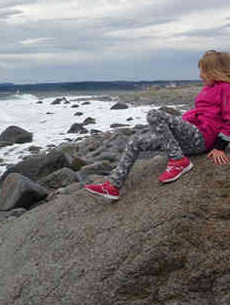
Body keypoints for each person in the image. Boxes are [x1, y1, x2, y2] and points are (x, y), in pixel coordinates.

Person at [86, 49, 230, 200]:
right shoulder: (208, 88)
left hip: (202, 138)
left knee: (154, 114)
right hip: (189, 139)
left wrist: (220, 147)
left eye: (203, 71)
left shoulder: (226, 88)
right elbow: (199, 112)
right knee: (136, 141)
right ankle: (113, 186)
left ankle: (179, 161)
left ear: (216, 71)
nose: (200, 75)